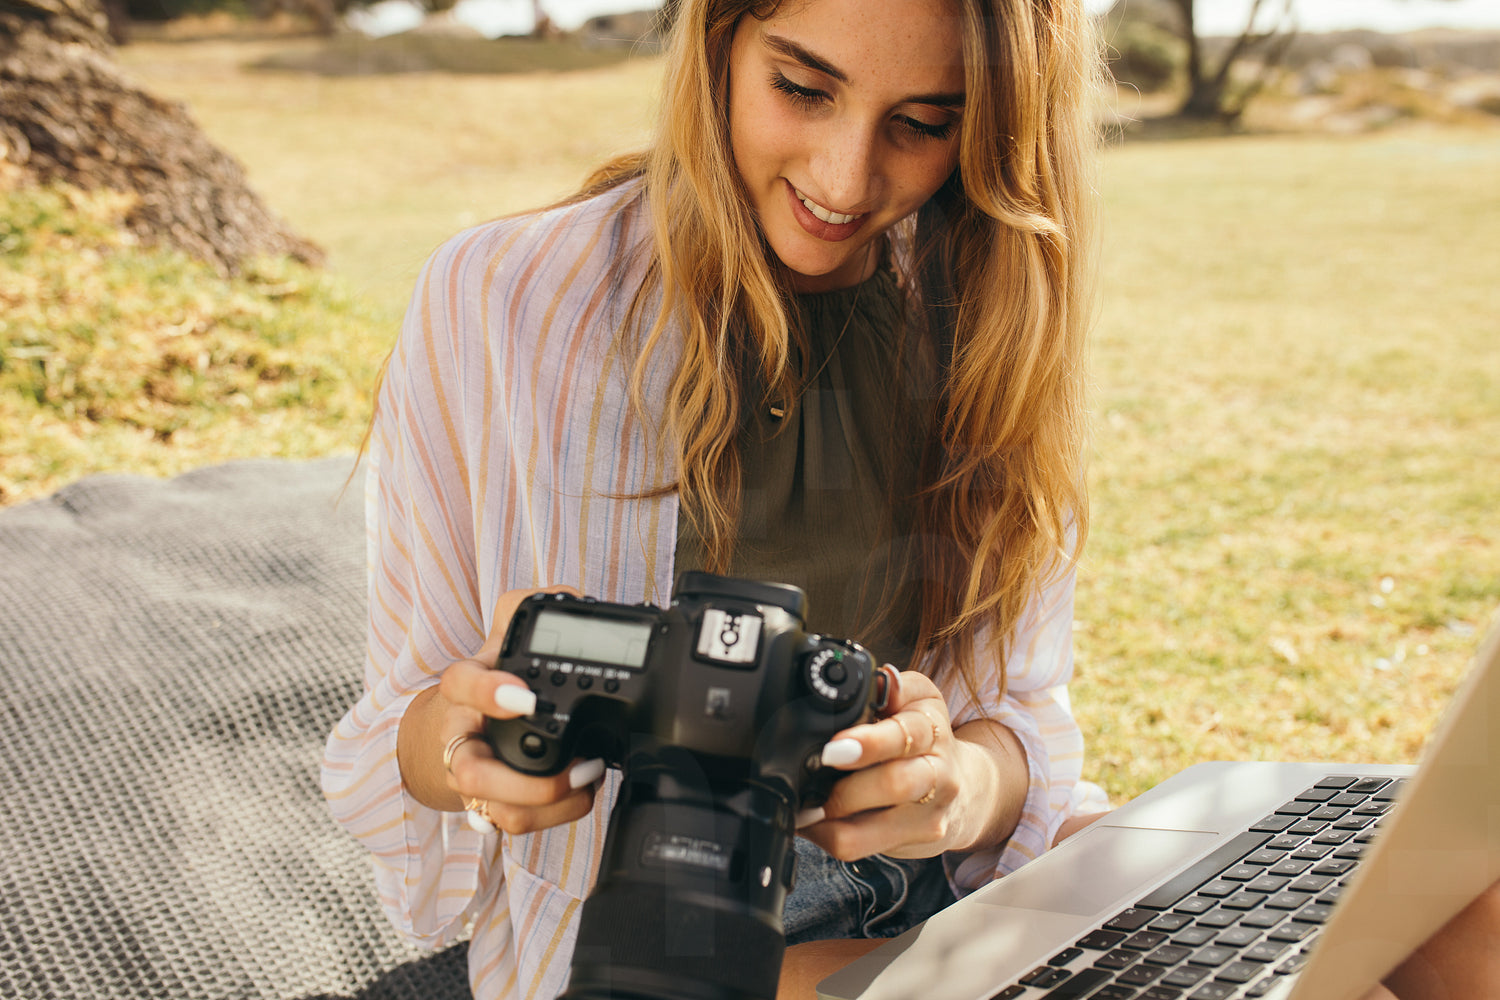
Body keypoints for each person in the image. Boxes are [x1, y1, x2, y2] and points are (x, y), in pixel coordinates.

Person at [320, 1, 1495, 998]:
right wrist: (463, 745)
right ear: (718, 44)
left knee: (1461, 904)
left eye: (923, 124)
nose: (846, 179)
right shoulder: (502, 303)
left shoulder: (981, 301)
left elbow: (1020, 724)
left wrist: (951, 784)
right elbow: (394, 745)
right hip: (674, 935)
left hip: (960, 878)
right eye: (801, 88)